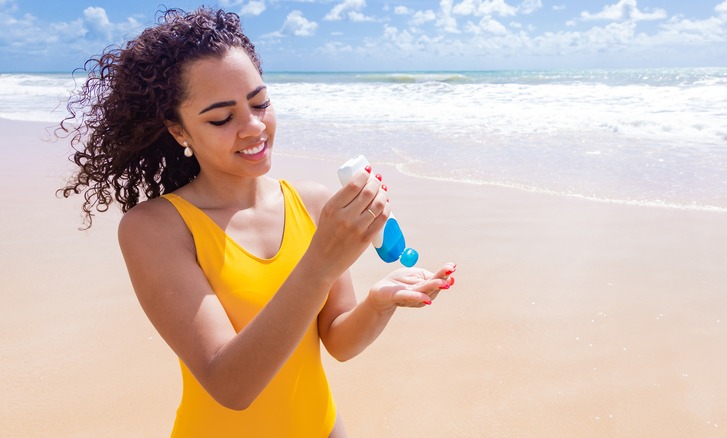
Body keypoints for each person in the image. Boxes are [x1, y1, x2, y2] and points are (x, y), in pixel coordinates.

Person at [56, 7, 456, 437]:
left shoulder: (311, 202)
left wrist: (378, 304)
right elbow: (231, 385)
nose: (253, 127)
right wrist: (320, 262)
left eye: (260, 102)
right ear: (179, 132)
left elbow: (338, 341)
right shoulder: (155, 228)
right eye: (221, 118)